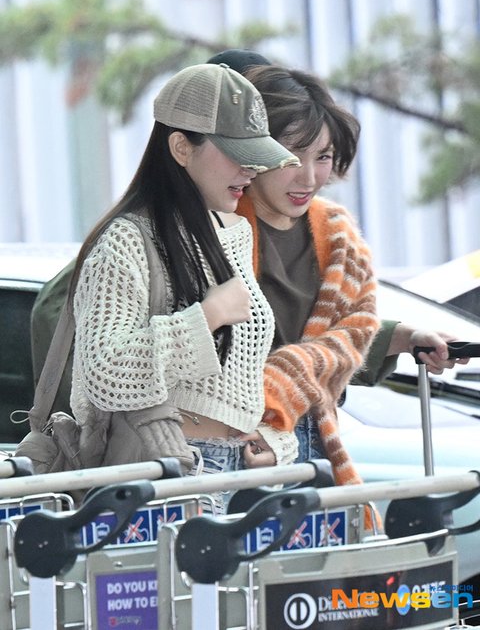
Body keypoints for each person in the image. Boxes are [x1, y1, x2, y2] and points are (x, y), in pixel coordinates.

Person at [207, 50, 469, 482]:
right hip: (231, 448)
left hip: (318, 441)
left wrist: (407, 338)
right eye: (291, 156)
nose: (309, 177)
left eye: (324, 157)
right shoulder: (210, 231)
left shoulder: (336, 235)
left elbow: (334, 341)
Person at [59, 63, 301, 507]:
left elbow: (237, 379)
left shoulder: (231, 231)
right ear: (181, 147)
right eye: (235, 153)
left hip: (238, 473)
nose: (250, 170)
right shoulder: (126, 239)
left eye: (254, 155)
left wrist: (272, 441)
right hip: (166, 470)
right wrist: (207, 317)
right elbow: (104, 373)